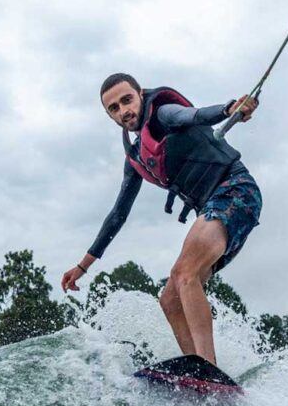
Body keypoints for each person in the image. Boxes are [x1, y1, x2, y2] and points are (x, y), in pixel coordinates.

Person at [61, 73, 262, 365]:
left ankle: (208, 366)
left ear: (140, 94)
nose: (123, 111)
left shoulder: (164, 114)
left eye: (127, 100)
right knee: (169, 299)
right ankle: (198, 371)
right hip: (214, 210)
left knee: (184, 274)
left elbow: (193, 115)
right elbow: (118, 214)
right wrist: (83, 266)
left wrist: (229, 109)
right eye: (114, 108)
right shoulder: (135, 157)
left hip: (236, 192)